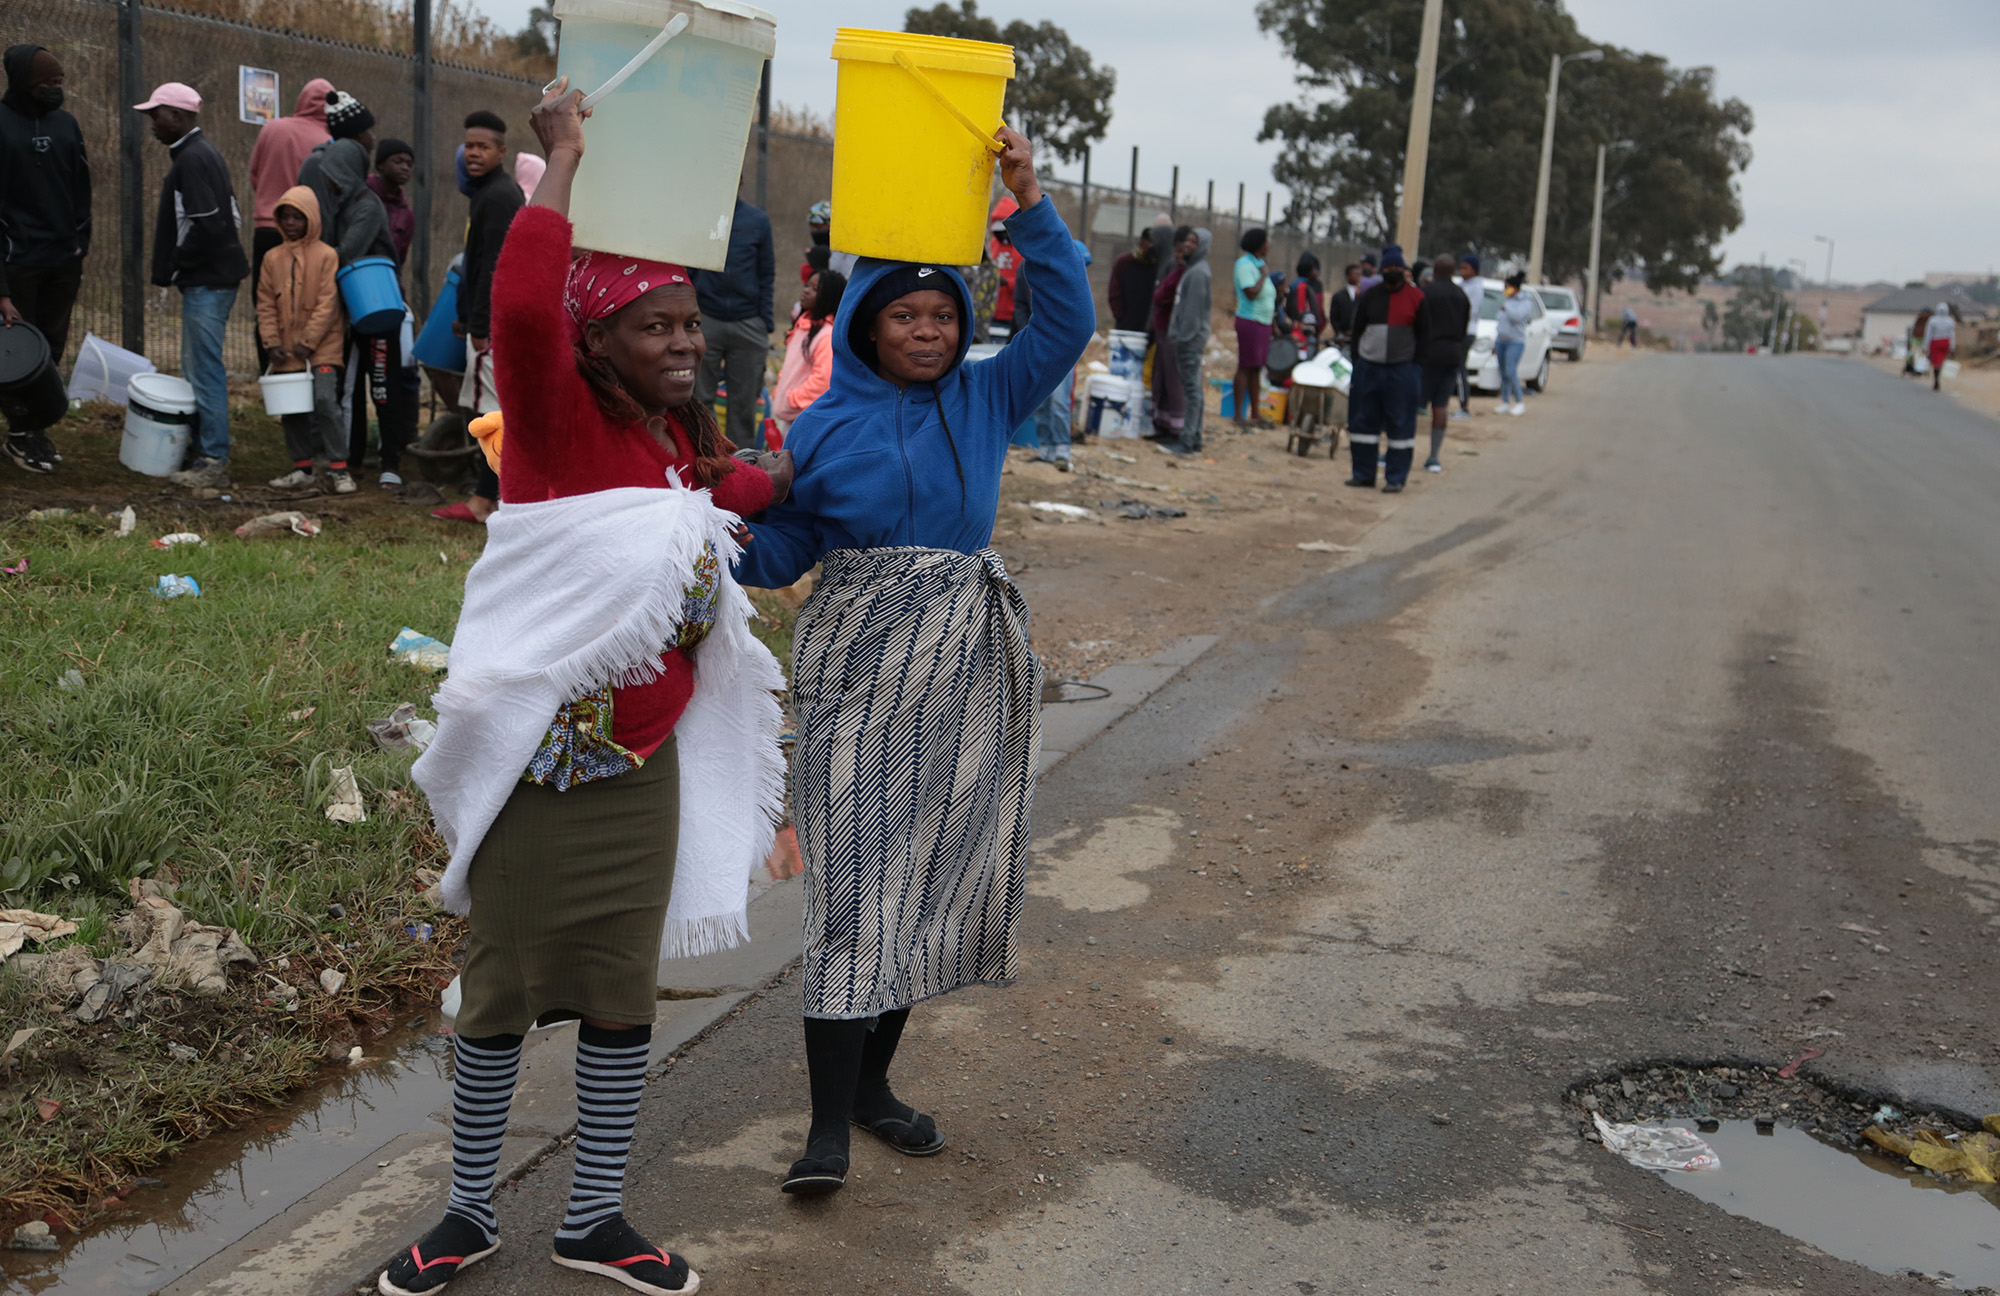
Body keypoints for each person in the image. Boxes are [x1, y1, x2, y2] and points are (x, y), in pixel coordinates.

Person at [388, 83, 789, 1296]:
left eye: (689, 325)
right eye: (654, 326)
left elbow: (693, 516)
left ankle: (595, 1217)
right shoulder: (557, 421)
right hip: (539, 769)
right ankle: (465, 1212)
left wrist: (766, 485)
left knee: (620, 996)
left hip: (639, 767)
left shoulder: (671, 443)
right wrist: (556, 162)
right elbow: (519, 300)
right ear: (596, 343)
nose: (682, 342)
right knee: (502, 992)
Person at [732, 123, 1088, 1200]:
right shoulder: (817, 424)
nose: (926, 331)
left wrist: (1026, 202)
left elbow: (1065, 319)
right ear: (864, 324)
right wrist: (721, 524)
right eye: (904, 315)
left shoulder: (986, 396)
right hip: (855, 658)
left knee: (928, 877)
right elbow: (791, 545)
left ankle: (873, 1091)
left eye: (942, 314)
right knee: (852, 887)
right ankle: (826, 1126)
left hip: (965, 655)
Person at [137, 83, 248, 490]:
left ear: (179, 116)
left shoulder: (192, 159)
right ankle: (199, 448)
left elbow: (213, 223)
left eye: (157, 114)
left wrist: (179, 263)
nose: (152, 122)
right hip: (212, 279)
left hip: (208, 281)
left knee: (203, 370)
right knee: (197, 367)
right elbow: (232, 217)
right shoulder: (204, 154)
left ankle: (213, 458)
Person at [0, 44, 89, 475]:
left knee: (50, 350)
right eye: (47, 84)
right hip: (17, 261)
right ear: (23, 84)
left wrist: (79, 245)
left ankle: (33, 430)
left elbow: (81, 189)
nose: (56, 90)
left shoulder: (67, 126)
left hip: (62, 260)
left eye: (60, 83)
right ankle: (20, 433)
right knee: (18, 353)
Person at [443, 108, 522, 524]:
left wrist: (480, 325)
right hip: (484, 321)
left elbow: (494, 267)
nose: (474, 153)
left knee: (489, 415)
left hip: (492, 328)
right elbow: (474, 264)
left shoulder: (498, 196)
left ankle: (487, 500)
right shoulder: (487, 193)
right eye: (469, 146)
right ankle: (495, 496)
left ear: (501, 151)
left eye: (483, 147)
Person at [257, 187, 350, 492]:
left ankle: (339, 469)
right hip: (286, 349)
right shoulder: (272, 258)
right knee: (292, 407)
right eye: (286, 217)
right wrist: (271, 342)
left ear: (311, 219)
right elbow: (266, 302)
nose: (292, 223)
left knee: (325, 400)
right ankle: (301, 468)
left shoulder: (326, 255)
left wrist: (309, 341)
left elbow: (328, 302)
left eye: (299, 217)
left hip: (323, 346)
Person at [246, 77, 330, 368]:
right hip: (307, 233)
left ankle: (268, 366)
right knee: (302, 304)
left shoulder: (273, 127)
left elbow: (254, 174)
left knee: (266, 302)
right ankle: (299, 366)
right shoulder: (326, 140)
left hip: (267, 225)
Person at [356, 137, 420, 487]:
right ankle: (349, 458)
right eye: (397, 160)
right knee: (351, 383)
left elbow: (400, 258)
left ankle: (390, 458)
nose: (405, 167)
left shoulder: (406, 212)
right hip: (352, 300)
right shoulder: (361, 198)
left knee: (387, 383)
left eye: (409, 162)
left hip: (385, 304)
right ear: (379, 165)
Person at [1343, 244, 1428, 493]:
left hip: (1402, 371)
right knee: (1362, 423)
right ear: (1381, 270)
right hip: (1368, 369)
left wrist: (1415, 369)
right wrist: (1359, 362)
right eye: (1388, 267)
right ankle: (1363, 474)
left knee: (1400, 425)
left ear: (1403, 270)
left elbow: (1425, 337)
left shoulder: (1417, 298)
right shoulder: (1370, 296)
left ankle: (1395, 478)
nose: (1392, 270)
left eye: (1397, 267)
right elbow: (1357, 331)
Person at [692, 197, 775, 451]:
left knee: (744, 401)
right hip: (708, 318)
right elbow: (689, 268)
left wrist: (765, 321)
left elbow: (766, 272)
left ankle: (743, 462)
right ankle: (708, 453)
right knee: (698, 396)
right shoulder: (699, 216)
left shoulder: (758, 220)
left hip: (748, 321)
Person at [770, 267, 844, 432]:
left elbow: (822, 380)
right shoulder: (802, 327)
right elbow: (790, 367)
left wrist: (791, 400)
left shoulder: (826, 335)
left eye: (814, 289)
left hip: (805, 421)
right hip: (790, 419)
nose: (806, 291)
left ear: (829, 296)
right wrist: (779, 392)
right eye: (807, 286)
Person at [1419, 253, 1470, 474]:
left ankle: (1399, 450)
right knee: (1441, 406)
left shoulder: (1426, 293)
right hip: (1453, 354)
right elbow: (1464, 327)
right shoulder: (1461, 296)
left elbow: (1419, 324)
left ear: (1435, 270)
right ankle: (1433, 457)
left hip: (1429, 354)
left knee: (1414, 404)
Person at [1166, 227, 1213, 456]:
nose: (1188, 245)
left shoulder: (1198, 274)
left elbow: (1192, 313)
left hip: (1189, 340)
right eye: (1187, 240)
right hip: (1189, 338)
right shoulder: (1193, 270)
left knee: (1192, 392)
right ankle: (1194, 439)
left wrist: (1182, 338)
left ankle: (1187, 442)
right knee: (1195, 391)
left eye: (1194, 242)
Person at [1147, 225, 1192, 439]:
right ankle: (1163, 425)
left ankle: (1176, 429)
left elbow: (1162, 295)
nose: (1178, 256)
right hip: (1164, 329)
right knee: (1162, 379)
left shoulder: (1185, 273)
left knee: (1173, 381)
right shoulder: (1173, 268)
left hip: (1173, 332)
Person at [1232, 228, 1273, 431]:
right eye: (1266, 242)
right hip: (1250, 321)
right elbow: (1251, 293)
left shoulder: (1258, 264)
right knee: (1245, 366)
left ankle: (1255, 413)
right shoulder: (1245, 265)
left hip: (1263, 322)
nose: (1269, 245)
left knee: (1257, 367)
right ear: (1259, 244)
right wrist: (1264, 276)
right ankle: (1238, 414)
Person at [1495, 273, 1533, 415]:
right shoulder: (1507, 300)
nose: (1505, 289)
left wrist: (1507, 306)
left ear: (1514, 287)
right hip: (1501, 341)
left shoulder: (1525, 301)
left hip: (1515, 342)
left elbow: (1517, 316)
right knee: (1503, 373)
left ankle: (1519, 402)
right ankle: (1505, 402)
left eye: (1507, 287)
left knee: (1511, 372)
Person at [1106, 232, 1158, 334]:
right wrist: (1120, 316)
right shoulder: (1124, 262)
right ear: (1141, 243)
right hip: (1125, 327)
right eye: (1149, 244)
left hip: (1150, 328)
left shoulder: (1157, 265)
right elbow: (1114, 291)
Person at [1455, 254, 1485, 417]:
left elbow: (1470, 312)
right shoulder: (1463, 285)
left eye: (1466, 268)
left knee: (1460, 369)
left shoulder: (1476, 288)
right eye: (1461, 267)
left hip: (1466, 331)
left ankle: (1464, 406)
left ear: (1474, 270)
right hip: (1458, 330)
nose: (1462, 271)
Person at [986, 196, 1020, 340]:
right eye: (998, 231)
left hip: (1014, 314)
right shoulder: (992, 246)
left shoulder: (1022, 248)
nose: (1003, 235)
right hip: (989, 312)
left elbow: (1029, 280)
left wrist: (1008, 283)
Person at [1287, 252, 1326, 361]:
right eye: (1314, 269)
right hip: (1305, 329)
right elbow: (1313, 307)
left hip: (1306, 328)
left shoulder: (1313, 285)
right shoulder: (1304, 286)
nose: (1317, 272)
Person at [1327, 263, 1360, 348]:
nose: (1359, 276)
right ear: (1348, 276)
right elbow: (1333, 316)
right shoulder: (1339, 296)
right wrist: (1339, 332)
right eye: (1356, 274)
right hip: (1342, 338)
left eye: (1360, 274)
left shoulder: (1363, 295)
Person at [1924, 302, 1955, 391]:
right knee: (1940, 361)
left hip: (1935, 342)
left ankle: (1936, 379)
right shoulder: (1950, 321)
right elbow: (1952, 335)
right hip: (1945, 342)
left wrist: (1925, 346)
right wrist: (1952, 347)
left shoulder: (1932, 320)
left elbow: (1928, 334)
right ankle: (1937, 377)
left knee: (1936, 362)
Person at [800, 199, 830, 284]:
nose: (815, 230)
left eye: (818, 226)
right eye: (812, 226)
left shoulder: (842, 253)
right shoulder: (812, 251)